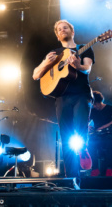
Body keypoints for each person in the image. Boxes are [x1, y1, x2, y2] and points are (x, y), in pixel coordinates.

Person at [33, 20, 94, 179]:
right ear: (57, 35)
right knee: (65, 137)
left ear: (72, 32)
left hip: (81, 94)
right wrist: (46, 63)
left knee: (80, 126)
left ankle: (83, 148)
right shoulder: (55, 53)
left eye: (65, 27)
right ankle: (71, 178)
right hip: (62, 97)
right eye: (59, 29)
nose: (62, 30)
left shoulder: (83, 49)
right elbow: (36, 75)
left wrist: (78, 66)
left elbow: (87, 69)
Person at [88, 90, 112, 177]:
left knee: (109, 143)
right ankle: (95, 169)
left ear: (100, 101)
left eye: (96, 104)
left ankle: (109, 169)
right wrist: (87, 126)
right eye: (93, 104)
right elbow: (86, 121)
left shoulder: (110, 108)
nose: (95, 106)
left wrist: (103, 127)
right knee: (90, 144)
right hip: (97, 134)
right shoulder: (93, 110)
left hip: (109, 133)